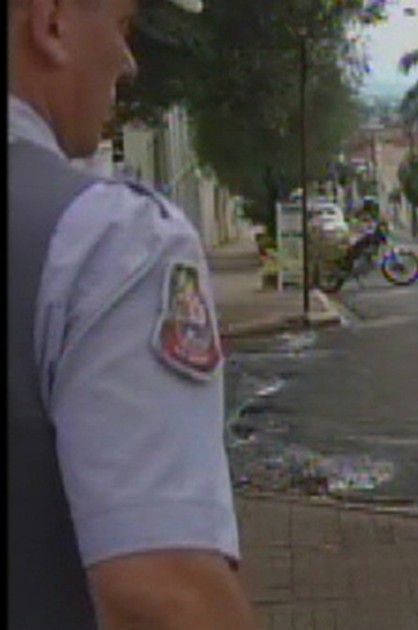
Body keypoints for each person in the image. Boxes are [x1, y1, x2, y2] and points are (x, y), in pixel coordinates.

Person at [8, 0, 257, 628]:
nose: (127, 62)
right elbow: (164, 599)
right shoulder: (110, 244)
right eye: (120, 27)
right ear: (52, 22)